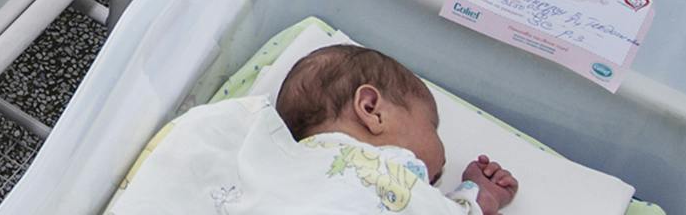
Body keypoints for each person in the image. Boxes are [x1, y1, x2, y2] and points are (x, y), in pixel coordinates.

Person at [108, 44, 520, 214]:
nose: (439, 144)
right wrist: (475, 198)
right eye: (432, 124)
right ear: (372, 109)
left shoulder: (270, 164)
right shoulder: (391, 169)